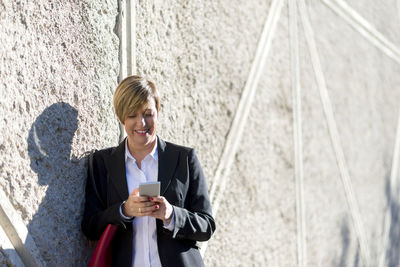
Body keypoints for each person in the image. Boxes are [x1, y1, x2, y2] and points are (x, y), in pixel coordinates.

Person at [81, 75, 215, 267]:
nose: (141, 123)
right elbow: (90, 227)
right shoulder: (102, 163)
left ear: (157, 112)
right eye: (132, 115)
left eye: (147, 113)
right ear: (120, 117)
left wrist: (171, 215)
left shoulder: (184, 158)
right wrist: (124, 210)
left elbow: (207, 225)